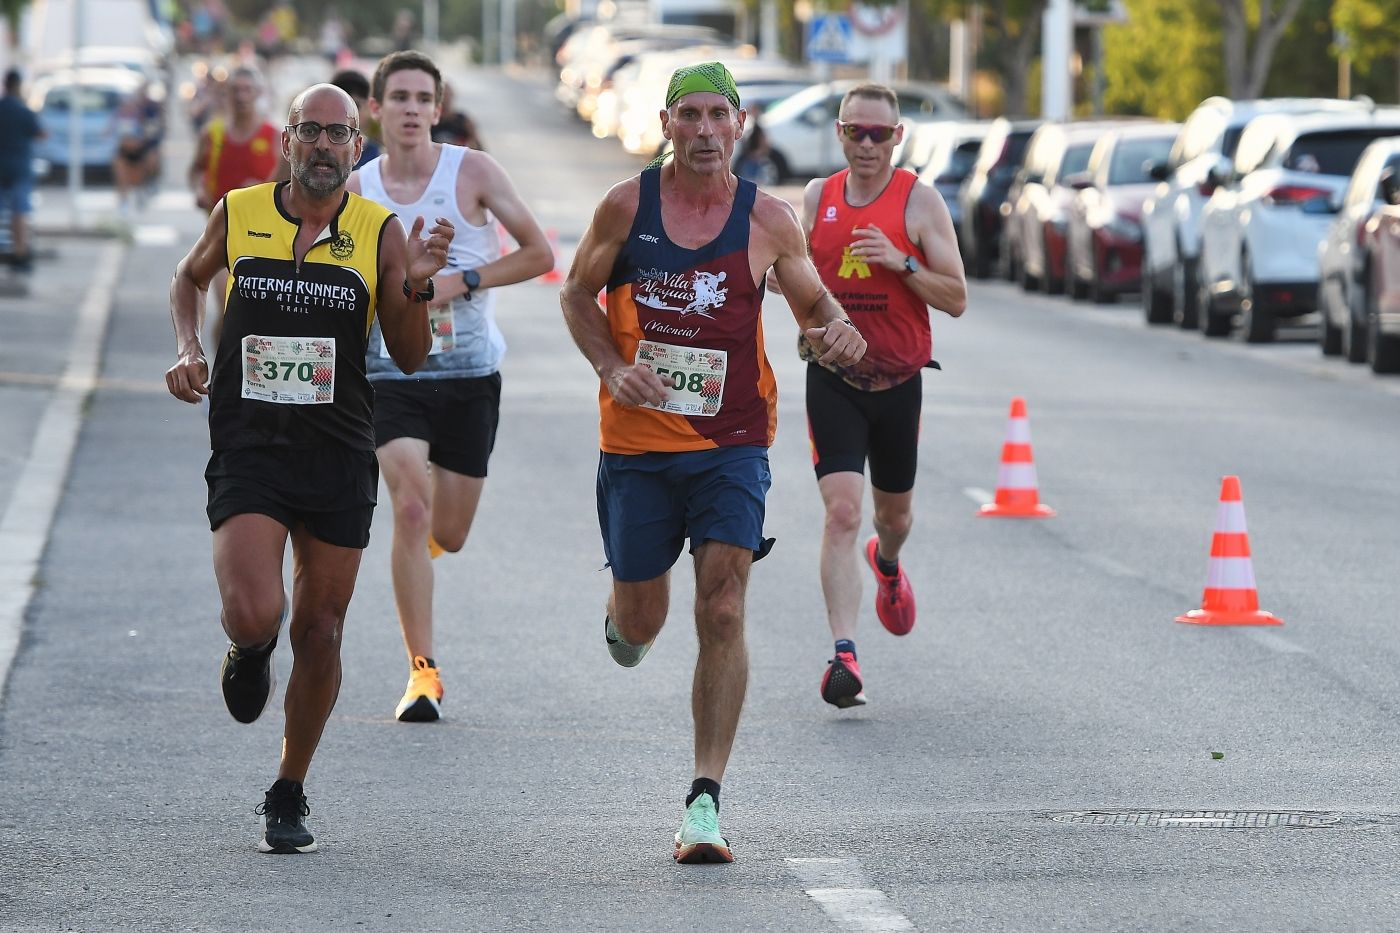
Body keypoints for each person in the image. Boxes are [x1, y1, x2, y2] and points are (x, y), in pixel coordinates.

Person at [559, 61, 866, 863]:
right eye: (687, 116)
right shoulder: (627, 207)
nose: (702, 131)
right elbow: (573, 296)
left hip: (732, 441)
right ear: (666, 122)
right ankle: (624, 621)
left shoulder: (767, 219)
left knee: (724, 602)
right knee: (642, 621)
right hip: (636, 442)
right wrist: (610, 366)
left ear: (738, 125)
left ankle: (705, 799)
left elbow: (814, 309)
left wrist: (837, 331)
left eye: (716, 117)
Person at [164, 82, 453, 853]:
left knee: (321, 630)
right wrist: (190, 348)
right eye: (311, 132)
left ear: (356, 149)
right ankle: (251, 648)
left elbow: (414, 353)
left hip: (336, 449)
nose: (325, 146)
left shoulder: (379, 231)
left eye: (340, 135)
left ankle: (289, 786)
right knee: (256, 609)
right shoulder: (240, 210)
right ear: (287, 140)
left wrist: (418, 284)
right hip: (250, 443)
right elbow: (189, 279)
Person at [348, 51, 551, 723]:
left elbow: (540, 254)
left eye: (422, 97)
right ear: (375, 109)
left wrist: (461, 279)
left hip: (469, 373)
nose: (410, 108)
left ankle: (427, 538)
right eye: (398, 96)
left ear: (438, 108)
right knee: (408, 508)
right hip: (391, 371)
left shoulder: (473, 172)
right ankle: (422, 671)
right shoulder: (358, 190)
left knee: (450, 532)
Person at [798, 84, 967, 709]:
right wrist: (812, 328)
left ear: (898, 137)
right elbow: (792, 280)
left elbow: (956, 298)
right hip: (835, 378)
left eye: (879, 134)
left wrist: (902, 261)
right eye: (855, 132)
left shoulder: (919, 203)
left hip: (899, 382)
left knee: (892, 519)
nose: (866, 145)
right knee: (840, 512)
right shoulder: (817, 198)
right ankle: (845, 654)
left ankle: (887, 563)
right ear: (839, 134)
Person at [189, 65, 287, 349]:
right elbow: (196, 170)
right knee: (230, 305)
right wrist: (199, 190)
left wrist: (259, 188)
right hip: (223, 237)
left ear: (259, 93)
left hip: (265, 237)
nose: (242, 96)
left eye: (248, 90)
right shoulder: (214, 133)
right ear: (226, 94)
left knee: (258, 314)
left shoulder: (274, 136)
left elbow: (289, 183)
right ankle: (222, 368)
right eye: (236, 90)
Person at [0, 69, 44, 273]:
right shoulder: (23, 110)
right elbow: (41, 134)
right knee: (20, 212)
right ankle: (20, 252)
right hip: (20, 167)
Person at [329, 69, 382, 168]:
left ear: (369, 107)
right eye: (342, 105)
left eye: (356, 105)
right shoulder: (320, 149)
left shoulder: (378, 158)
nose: (348, 113)